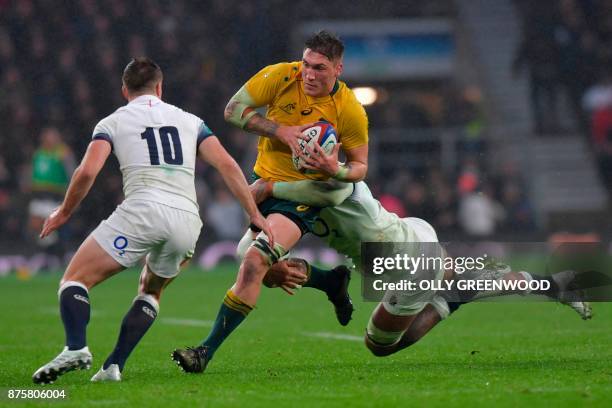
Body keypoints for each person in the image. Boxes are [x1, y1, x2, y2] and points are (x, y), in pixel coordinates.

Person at [32, 57, 271, 384]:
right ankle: (114, 366)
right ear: (160, 88)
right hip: (188, 219)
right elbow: (228, 165)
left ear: (124, 90)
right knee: (151, 291)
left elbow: (87, 170)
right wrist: (254, 212)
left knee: (74, 280)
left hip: (143, 209)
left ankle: (75, 347)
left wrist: (64, 212)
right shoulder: (190, 120)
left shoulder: (113, 121)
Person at [171, 30, 369, 373]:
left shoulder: (348, 108)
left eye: (319, 68)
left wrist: (333, 168)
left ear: (338, 69)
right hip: (260, 182)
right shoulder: (281, 75)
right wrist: (280, 131)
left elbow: (360, 167)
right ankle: (329, 281)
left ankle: (204, 352)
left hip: (303, 196)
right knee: (266, 272)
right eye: (306, 64)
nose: (308, 73)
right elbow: (233, 110)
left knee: (253, 263)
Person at [251, 178, 593, 357]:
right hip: (406, 235)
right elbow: (253, 252)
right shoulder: (293, 197)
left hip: (407, 258)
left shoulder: (332, 183)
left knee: (380, 345)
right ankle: (553, 285)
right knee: (457, 275)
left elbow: (333, 183)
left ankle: (451, 299)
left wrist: (267, 187)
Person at [27, 127, 75, 265]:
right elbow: (33, 172)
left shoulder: (62, 152)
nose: (49, 139)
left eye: (52, 136)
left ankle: (56, 256)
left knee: (52, 228)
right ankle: (47, 254)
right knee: (36, 226)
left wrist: (72, 194)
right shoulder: (39, 153)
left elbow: (72, 172)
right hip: (38, 195)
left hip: (54, 195)